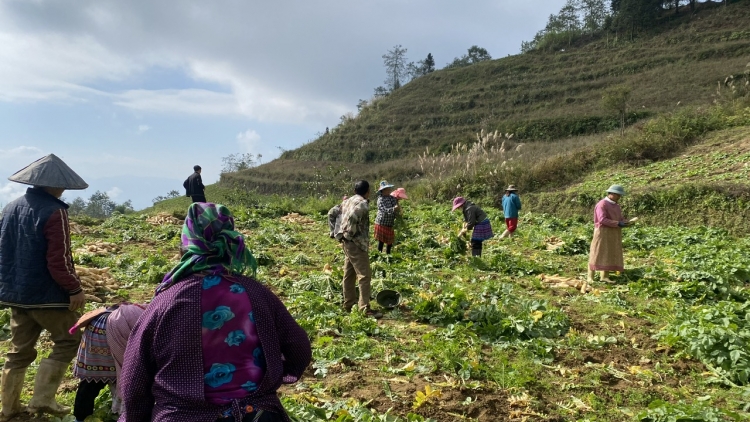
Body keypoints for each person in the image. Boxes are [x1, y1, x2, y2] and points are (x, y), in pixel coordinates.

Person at [119, 203, 312, 422]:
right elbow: (299, 347)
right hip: (258, 413)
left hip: (184, 415)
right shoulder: (257, 294)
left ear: (187, 244)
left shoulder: (165, 302)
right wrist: (275, 377)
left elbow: (134, 381)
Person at [0, 154, 89, 420]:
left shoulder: (10, 207)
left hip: (17, 294)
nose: (62, 190)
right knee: (69, 339)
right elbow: (58, 260)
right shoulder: (55, 212)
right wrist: (74, 289)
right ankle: (41, 401)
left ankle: (8, 409)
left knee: (18, 351)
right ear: (52, 185)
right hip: (46, 294)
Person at [69, 303, 146, 422]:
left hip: (96, 334)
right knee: (125, 380)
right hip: (113, 329)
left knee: (89, 385)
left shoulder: (102, 315)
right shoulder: (143, 313)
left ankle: (80, 418)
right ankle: (126, 414)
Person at [333, 181, 382, 319]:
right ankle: (364, 309)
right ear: (368, 192)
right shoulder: (362, 203)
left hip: (347, 243)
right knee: (364, 275)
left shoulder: (348, 201)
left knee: (349, 273)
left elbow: (333, 212)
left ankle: (349, 303)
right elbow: (353, 216)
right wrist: (349, 234)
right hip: (356, 243)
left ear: (355, 190)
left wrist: (335, 232)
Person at [583, 184, 631, 294]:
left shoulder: (616, 206)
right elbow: (602, 219)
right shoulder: (602, 204)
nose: (619, 197)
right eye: (618, 195)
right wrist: (618, 223)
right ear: (612, 194)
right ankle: (590, 276)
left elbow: (619, 218)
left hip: (613, 232)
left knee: (609, 252)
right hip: (602, 231)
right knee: (597, 252)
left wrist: (626, 222)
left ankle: (604, 276)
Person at [374, 181, 400, 255]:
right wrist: (393, 209)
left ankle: (388, 254)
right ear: (383, 191)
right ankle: (379, 255)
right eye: (387, 189)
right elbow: (383, 210)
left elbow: (396, 204)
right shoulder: (380, 199)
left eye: (389, 189)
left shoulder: (392, 198)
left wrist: (397, 203)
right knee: (381, 241)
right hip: (382, 222)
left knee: (390, 242)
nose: (389, 190)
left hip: (390, 223)